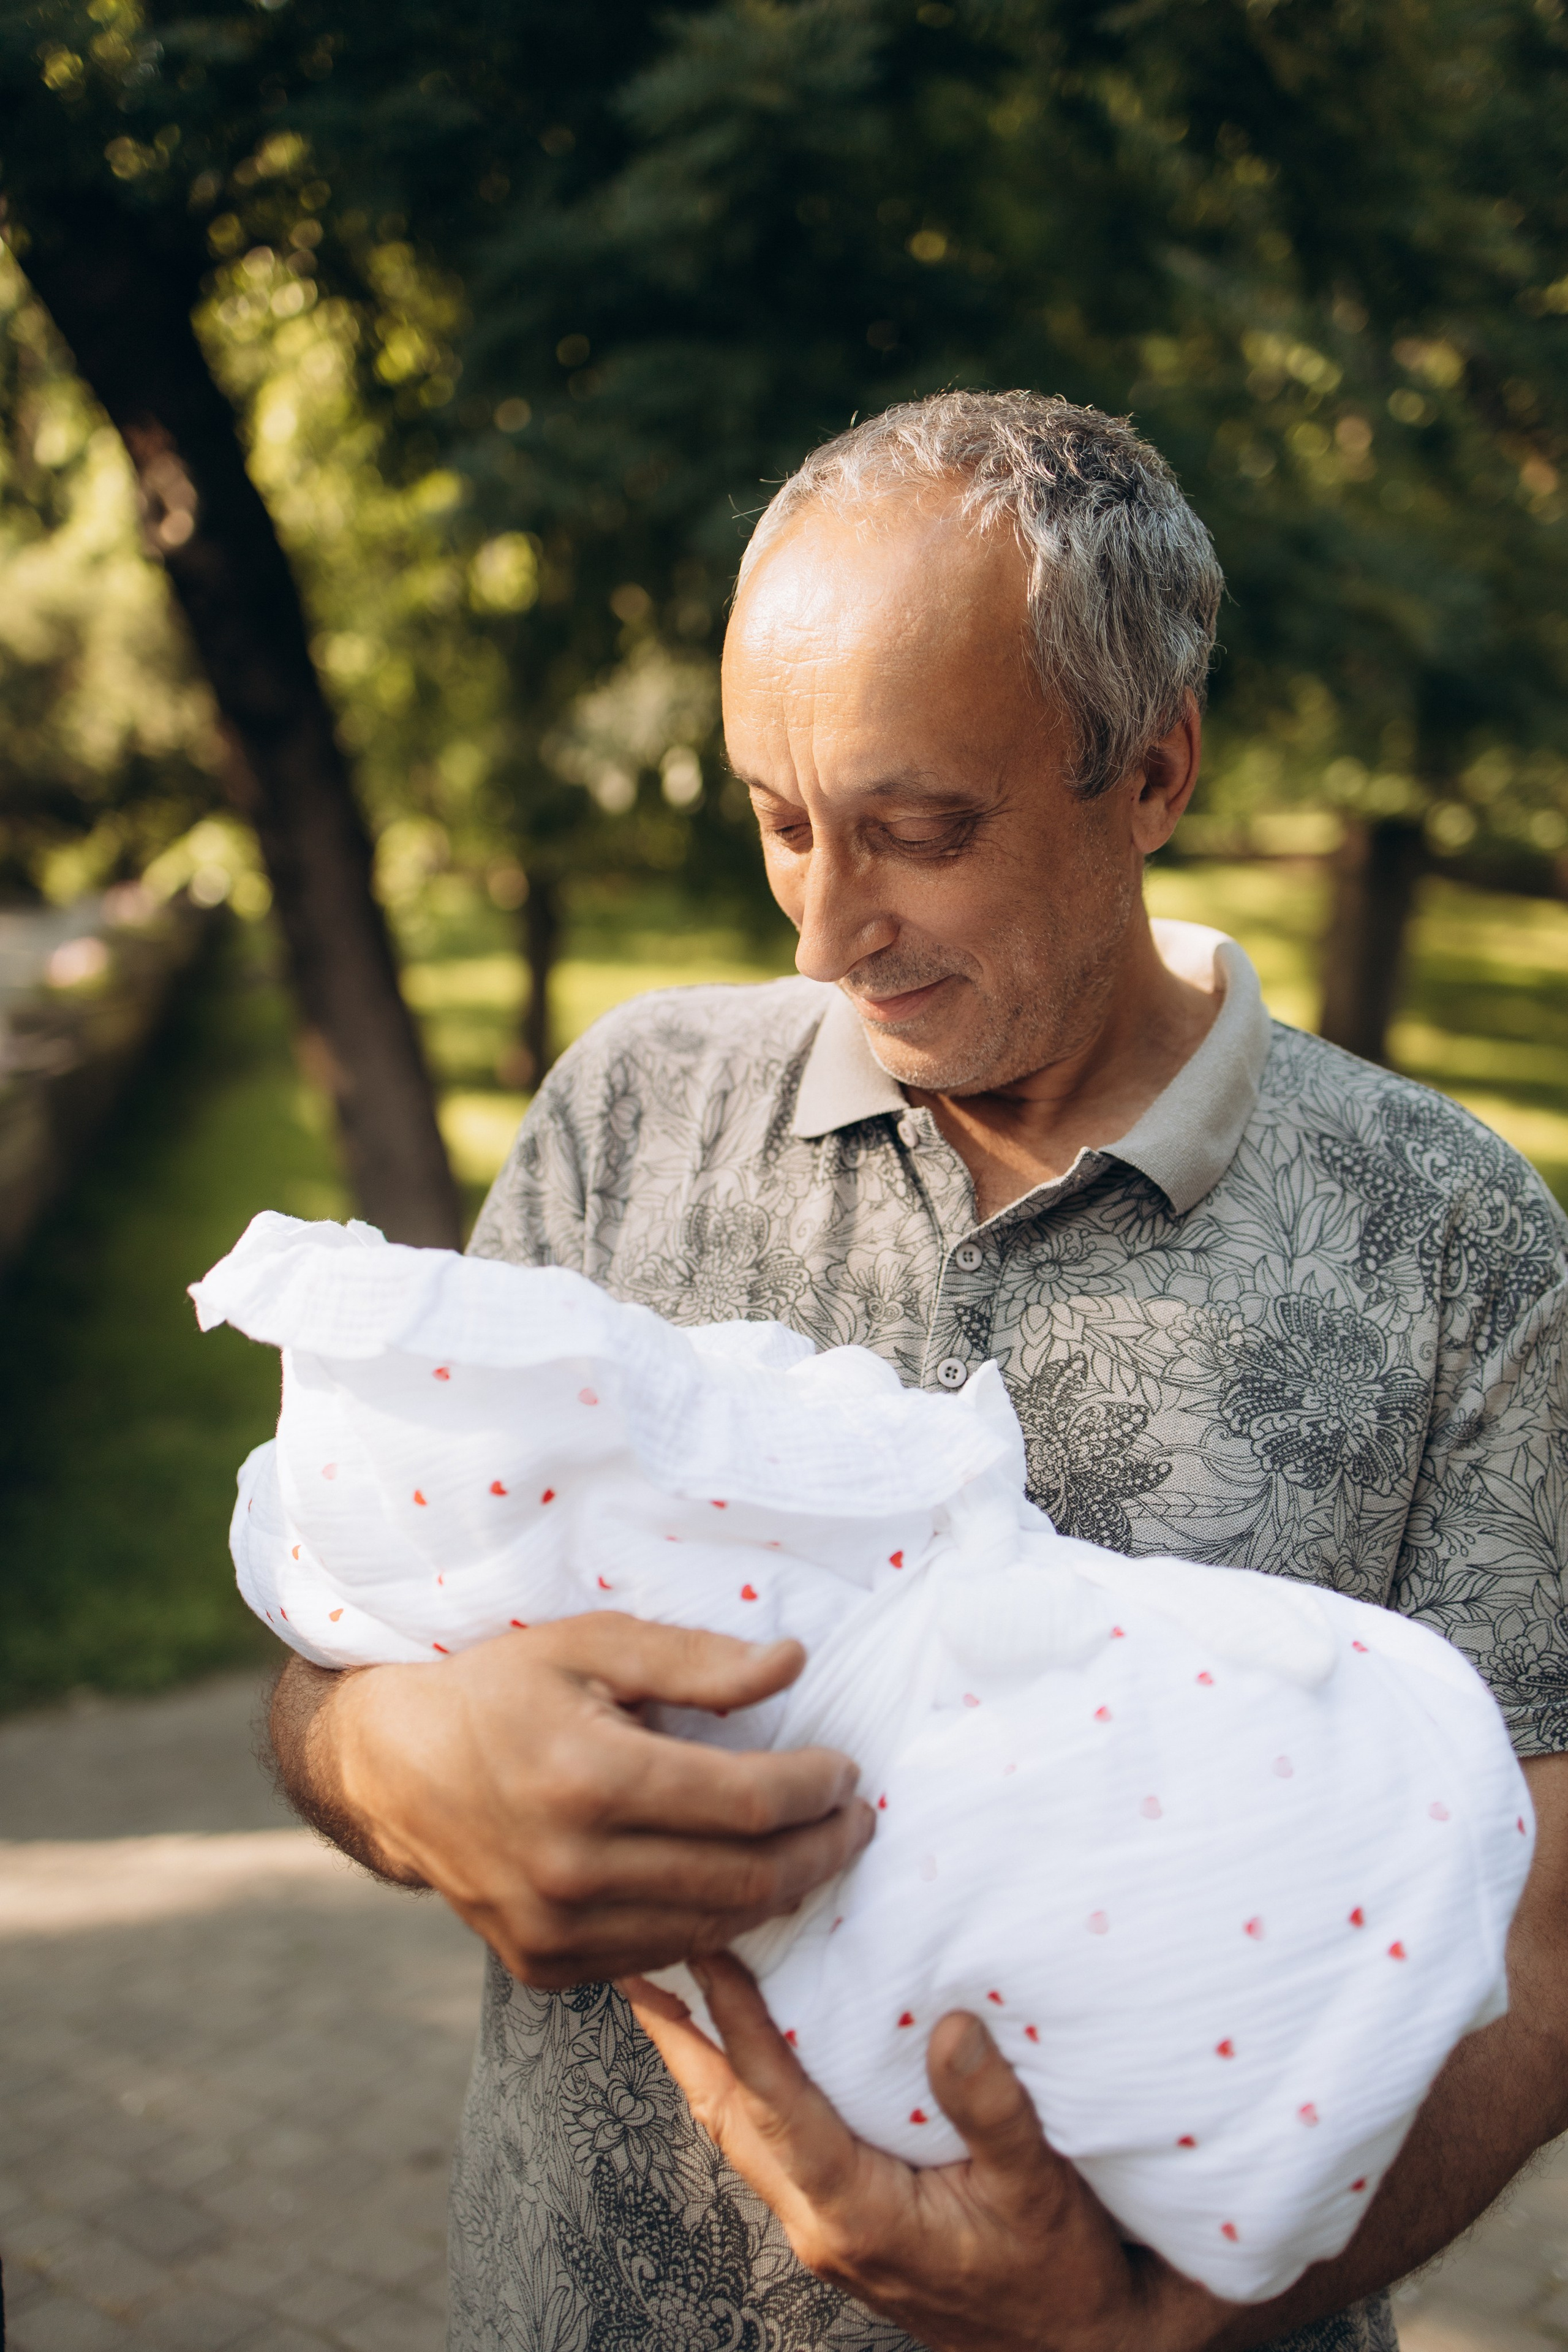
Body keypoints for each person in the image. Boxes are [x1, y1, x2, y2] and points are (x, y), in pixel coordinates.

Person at [268, 391, 1568, 2352]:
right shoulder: (628, 1112)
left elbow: (1544, 1936)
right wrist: (384, 1763)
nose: (823, 933)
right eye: (781, 822)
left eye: (916, 833)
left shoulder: (1462, 1246)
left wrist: (1169, 2314)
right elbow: (357, 1626)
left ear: (1152, 771)